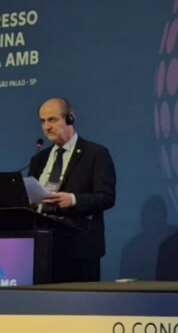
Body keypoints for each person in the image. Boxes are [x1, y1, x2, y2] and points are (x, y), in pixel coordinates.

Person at [29, 97, 116, 283]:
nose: (46, 127)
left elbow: (107, 197)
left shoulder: (95, 154)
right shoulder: (39, 159)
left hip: (79, 250)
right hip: (42, 249)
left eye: (52, 120)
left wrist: (73, 199)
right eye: (43, 121)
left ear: (70, 119)